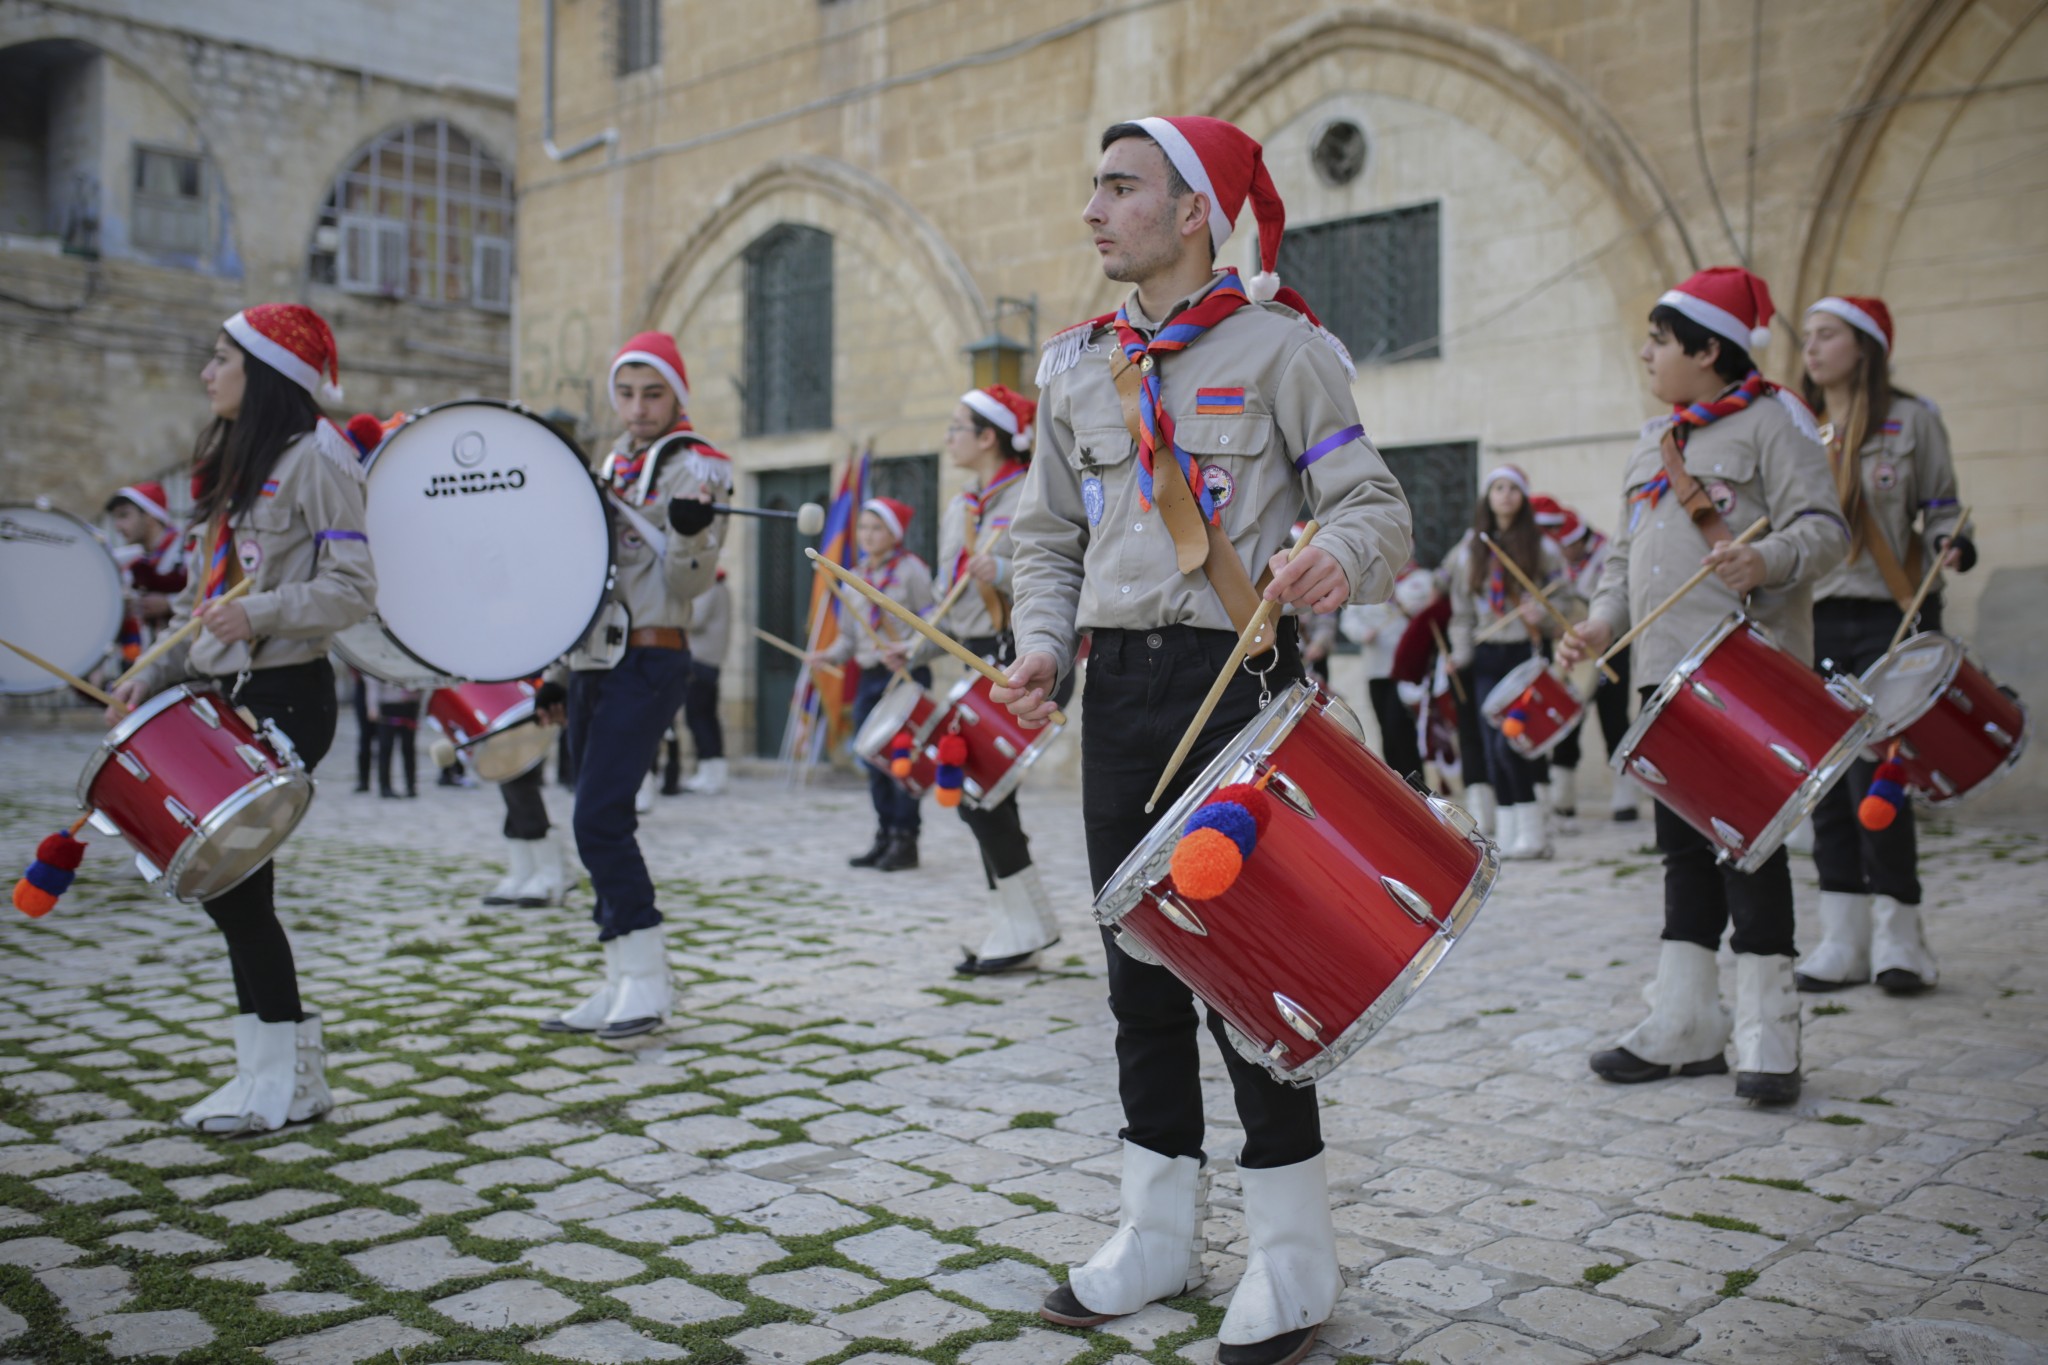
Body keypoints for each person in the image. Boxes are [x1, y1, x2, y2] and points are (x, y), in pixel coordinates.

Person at [995, 116, 1411, 1365]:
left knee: (1250, 976)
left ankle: (1291, 1258)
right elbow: (1044, 540)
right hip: (1115, 692)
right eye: (1092, 186)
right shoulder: (1075, 368)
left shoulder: (1285, 354)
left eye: (1118, 188)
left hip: (1235, 688)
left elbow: (1375, 506)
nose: (1092, 210)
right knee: (1137, 977)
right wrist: (1040, 647)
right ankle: (1155, 1232)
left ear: (1191, 212)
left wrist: (1333, 556)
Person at [1557, 267, 1848, 1105]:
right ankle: (1686, 1022)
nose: (1646, 351)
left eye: (1661, 339)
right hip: (1660, 681)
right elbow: (1621, 563)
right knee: (1683, 852)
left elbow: (1824, 530)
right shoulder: (1655, 442)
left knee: (1748, 852)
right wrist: (1601, 623)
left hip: (1743, 677)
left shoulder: (1773, 423)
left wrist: (1769, 558)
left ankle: (1769, 1029)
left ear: (1708, 349)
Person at [108, 304, 375, 1134]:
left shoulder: (320, 458)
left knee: (238, 890)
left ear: (263, 372)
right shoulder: (231, 463)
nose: (207, 372)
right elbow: (199, 608)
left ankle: (288, 1078)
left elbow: (355, 589)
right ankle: (269, 1070)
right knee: (231, 890)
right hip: (226, 694)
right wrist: (146, 674)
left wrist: (260, 613)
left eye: (221, 357)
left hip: (290, 691)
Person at [532, 332, 728, 1040]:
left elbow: (688, 585)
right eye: (626, 392)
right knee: (592, 818)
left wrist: (691, 534)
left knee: (598, 818)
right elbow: (581, 574)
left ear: (677, 393)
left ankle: (647, 975)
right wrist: (556, 671)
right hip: (591, 661)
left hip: (651, 657)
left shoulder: (698, 465)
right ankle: (617, 974)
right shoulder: (609, 462)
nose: (638, 407)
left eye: (653, 393)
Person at [1793, 295, 1970, 997]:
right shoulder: (1799, 429)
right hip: (1815, 620)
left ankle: (1903, 936)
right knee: (1829, 784)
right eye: (1807, 335)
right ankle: (1843, 935)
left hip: (1888, 618)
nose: (1812, 347)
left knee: (1882, 783)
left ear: (1863, 346)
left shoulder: (1912, 420)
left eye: (1827, 334)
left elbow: (1942, 508)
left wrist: (1953, 546)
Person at [922, 385, 1068, 972]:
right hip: (968, 653)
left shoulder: (1032, 489)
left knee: (983, 796)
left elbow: (1059, 564)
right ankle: (1017, 922)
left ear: (988, 436)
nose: (949, 438)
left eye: (957, 427)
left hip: (1019, 655)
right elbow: (943, 593)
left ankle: (1024, 925)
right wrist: (909, 644)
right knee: (981, 797)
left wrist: (1002, 569)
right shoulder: (962, 505)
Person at [1448, 465, 1573, 860]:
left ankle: (1534, 832)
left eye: (1512, 489)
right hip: (1486, 655)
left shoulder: (1543, 548)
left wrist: (1545, 616)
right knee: (1490, 744)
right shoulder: (1472, 550)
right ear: (1487, 497)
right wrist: (1460, 655)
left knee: (1513, 742)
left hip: (1524, 653)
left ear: (1522, 497)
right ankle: (1511, 830)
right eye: (1498, 488)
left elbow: (1566, 604)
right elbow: (1461, 612)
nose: (1505, 495)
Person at [815, 498, 935, 872]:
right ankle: (884, 833)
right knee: (873, 760)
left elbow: (935, 624)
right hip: (870, 678)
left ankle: (905, 838)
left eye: (876, 528)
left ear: (893, 533)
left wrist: (910, 650)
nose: (868, 535)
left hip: (905, 676)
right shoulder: (853, 577)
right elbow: (849, 640)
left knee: (901, 761)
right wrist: (827, 657)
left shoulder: (912, 571)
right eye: (863, 528)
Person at [1539, 500, 1640, 822]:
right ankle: (1563, 796)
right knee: (1568, 717)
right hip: (1573, 647)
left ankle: (1625, 796)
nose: (1566, 551)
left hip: (1610, 647)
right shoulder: (1554, 562)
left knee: (1614, 718)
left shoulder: (1607, 555)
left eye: (1570, 545)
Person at [1342, 563, 1431, 783]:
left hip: (1408, 670)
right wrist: (1363, 633)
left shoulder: (1421, 579)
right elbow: (1350, 620)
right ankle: (1397, 785)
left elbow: (1428, 614)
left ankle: (1417, 787)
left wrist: (1402, 602)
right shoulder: (1366, 580)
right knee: (1387, 732)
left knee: (1402, 730)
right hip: (1377, 668)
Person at [104, 481, 186, 664]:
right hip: (155, 665)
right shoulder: (132, 565)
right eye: (115, 518)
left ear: (150, 516)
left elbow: (216, 594)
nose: (117, 526)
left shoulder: (190, 549)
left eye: (124, 515)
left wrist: (169, 603)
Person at [677, 570, 731, 794]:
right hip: (709, 660)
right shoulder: (717, 585)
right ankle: (712, 770)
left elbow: (695, 619)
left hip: (701, 659)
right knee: (706, 716)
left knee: (698, 717)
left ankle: (710, 772)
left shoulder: (709, 586)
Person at [367, 677, 419, 799]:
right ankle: (385, 787)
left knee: (408, 748)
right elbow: (373, 681)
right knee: (385, 747)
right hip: (389, 705)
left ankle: (411, 786)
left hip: (409, 705)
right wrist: (372, 706)